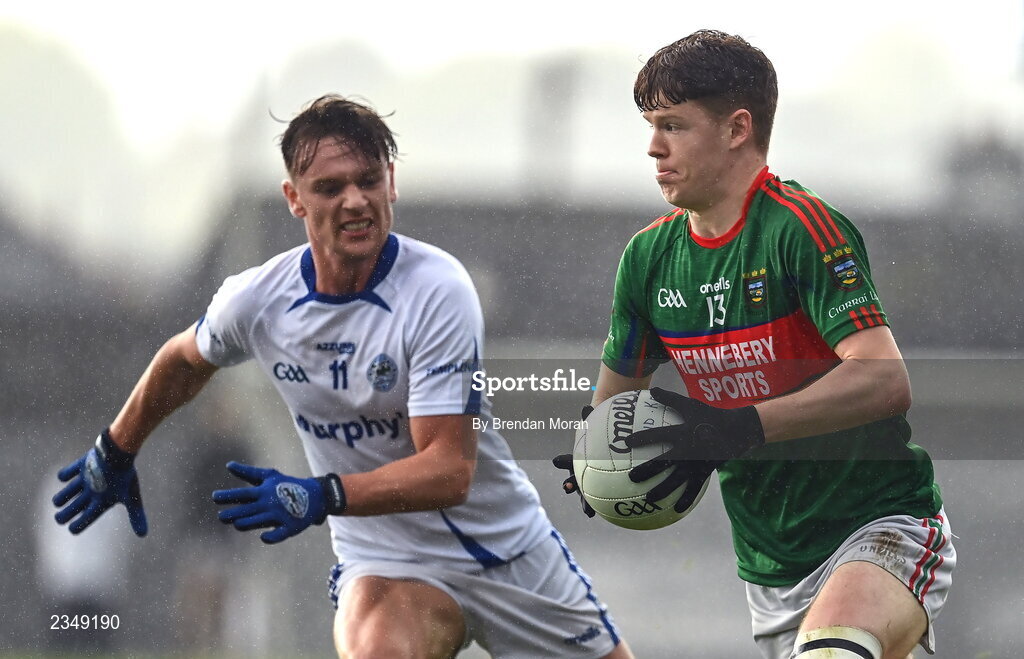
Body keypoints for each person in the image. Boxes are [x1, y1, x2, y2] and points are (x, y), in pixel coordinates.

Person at [52, 94, 633, 659]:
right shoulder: (257, 300)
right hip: (388, 563)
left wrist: (321, 495)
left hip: (508, 555)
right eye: (330, 187)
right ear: (294, 199)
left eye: (369, 180)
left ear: (392, 183)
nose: (356, 200)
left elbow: (449, 470)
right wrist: (116, 448)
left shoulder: (438, 290)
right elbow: (183, 359)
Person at [554, 30, 954, 659]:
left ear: (738, 128)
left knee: (834, 649)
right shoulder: (648, 259)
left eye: (674, 125)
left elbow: (883, 379)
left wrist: (733, 428)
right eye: (650, 125)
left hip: (881, 529)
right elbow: (614, 408)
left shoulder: (801, 228)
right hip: (770, 566)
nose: (654, 147)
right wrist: (598, 459)